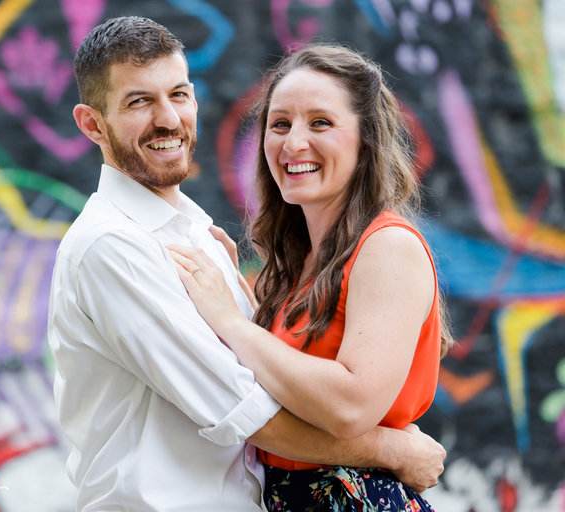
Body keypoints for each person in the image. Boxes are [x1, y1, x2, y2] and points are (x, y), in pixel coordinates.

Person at [48, 17, 445, 512]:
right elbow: (248, 412)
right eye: (138, 101)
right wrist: (393, 449)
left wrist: (243, 316)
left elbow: (317, 392)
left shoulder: (201, 240)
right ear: (92, 124)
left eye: (178, 94)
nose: (168, 118)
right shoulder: (113, 247)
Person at [168, 43, 453, 511]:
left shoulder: (387, 247)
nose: (293, 142)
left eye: (320, 122)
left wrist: (232, 323)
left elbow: (350, 406)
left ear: (366, 140)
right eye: (280, 124)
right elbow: (284, 381)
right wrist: (242, 300)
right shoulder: (301, 265)